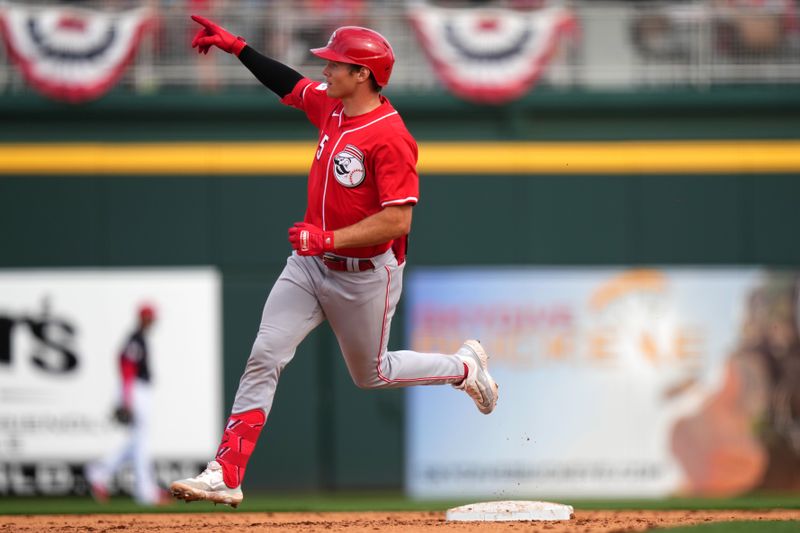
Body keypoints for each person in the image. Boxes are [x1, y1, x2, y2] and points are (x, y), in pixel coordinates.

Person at [169, 15, 499, 508]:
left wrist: (326, 238)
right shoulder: (333, 107)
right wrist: (238, 47)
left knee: (373, 374)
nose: (325, 70)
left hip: (365, 275)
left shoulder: (390, 136)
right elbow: (291, 84)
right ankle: (226, 472)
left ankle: (462, 369)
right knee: (265, 356)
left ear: (363, 73)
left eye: (336, 64)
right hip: (308, 267)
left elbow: (397, 223)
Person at [85, 304, 166, 505]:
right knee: (141, 442)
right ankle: (145, 492)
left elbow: (121, 360)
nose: (152, 321)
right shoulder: (135, 338)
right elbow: (127, 366)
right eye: (150, 317)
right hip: (136, 390)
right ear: (143, 318)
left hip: (136, 390)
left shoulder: (138, 338)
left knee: (138, 441)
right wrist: (127, 398)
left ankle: (100, 472)